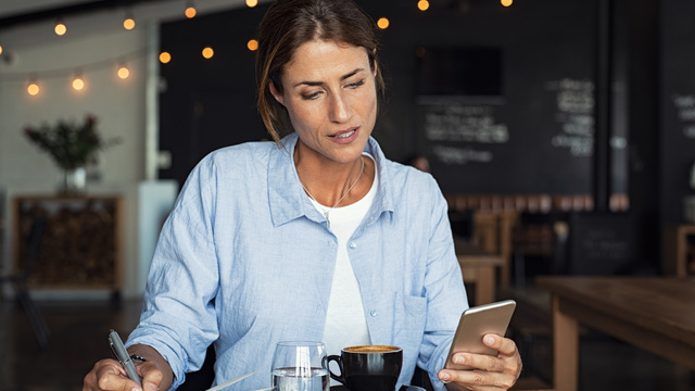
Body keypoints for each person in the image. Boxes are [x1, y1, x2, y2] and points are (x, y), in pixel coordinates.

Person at [83, 0, 522, 390]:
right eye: (312, 92)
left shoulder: (418, 195)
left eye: (353, 83)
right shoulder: (224, 180)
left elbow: (446, 340)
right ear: (278, 93)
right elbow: (171, 324)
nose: (342, 113)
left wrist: (477, 371)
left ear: (374, 68)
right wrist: (140, 368)